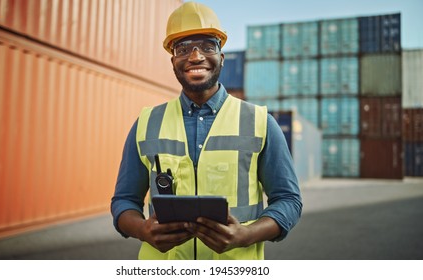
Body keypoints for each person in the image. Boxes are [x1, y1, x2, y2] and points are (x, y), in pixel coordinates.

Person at [110, 1, 302, 260]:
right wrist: (143, 230)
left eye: (207, 46)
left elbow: (289, 201)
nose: (195, 56)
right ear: (173, 61)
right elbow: (123, 202)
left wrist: (247, 235)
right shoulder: (146, 123)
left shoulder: (260, 122)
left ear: (221, 58)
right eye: (183, 48)